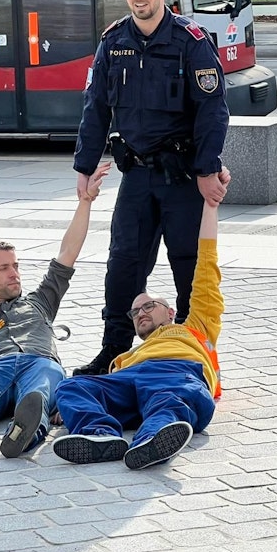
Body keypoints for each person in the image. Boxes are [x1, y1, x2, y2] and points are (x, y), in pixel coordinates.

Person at [72, 0, 230, 376]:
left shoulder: (190, 42)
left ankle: (193, 349)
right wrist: (85, 166)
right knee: (124, 264)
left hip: (182, 177)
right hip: (137, 175)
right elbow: (96, 108)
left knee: (189, 265)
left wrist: (206, 169)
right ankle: (114, 350)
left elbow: (212, 111)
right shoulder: (113, 42)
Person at [52, 171, 228, 470]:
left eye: (148, 305)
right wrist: (73, 408)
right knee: (72, 388)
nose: (141, 312)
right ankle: (101, 436)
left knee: (170, 401)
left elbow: (206, 268)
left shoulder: (194, 327)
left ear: (171, 312)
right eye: (135, 313)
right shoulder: (126, 358)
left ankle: (155, 438)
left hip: (177, 373)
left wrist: (210, 208)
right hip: (128, 381)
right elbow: (92, 389)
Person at [0, 163, 111, 458]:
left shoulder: (40, 301)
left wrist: (85, 201)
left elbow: (67, 254)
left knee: (37, 395)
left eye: (15, 266)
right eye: (4, 268)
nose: (15, 273)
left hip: (39, 362)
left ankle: (22, 432)